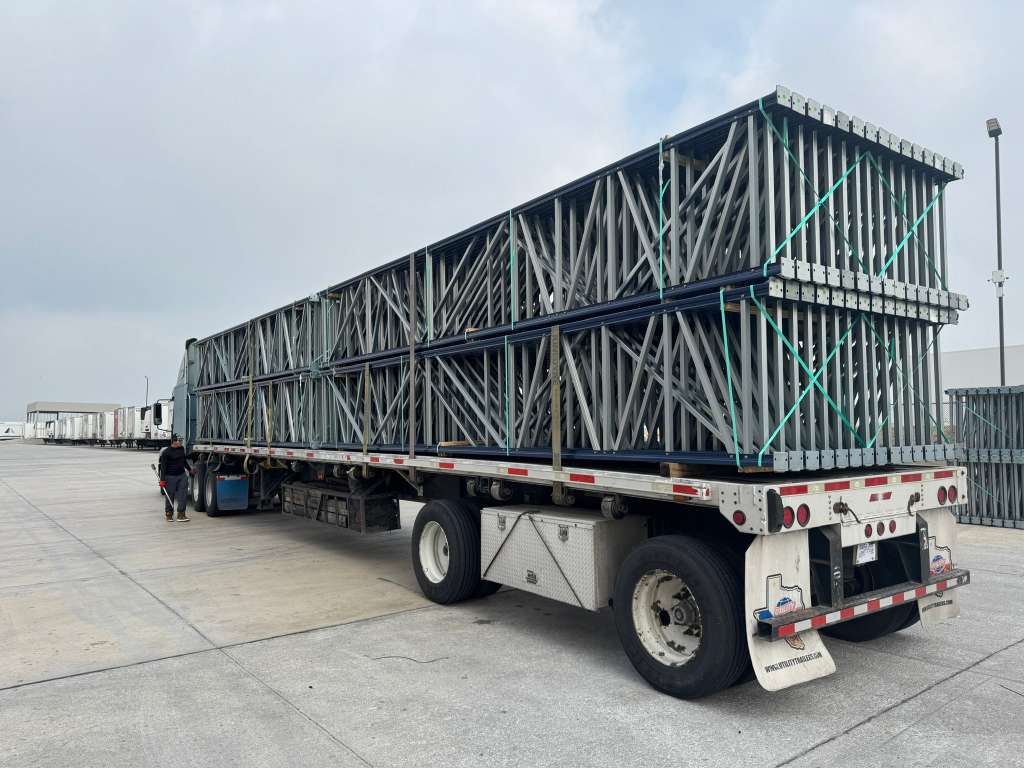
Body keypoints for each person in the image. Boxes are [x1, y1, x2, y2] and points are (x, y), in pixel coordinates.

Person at [158, 435, 192, 522]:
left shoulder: (181, 449)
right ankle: (169, 513)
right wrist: (162, 480)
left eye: (181, 441)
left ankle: (181, 514)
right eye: (180, 441)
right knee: (170, 495)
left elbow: (184, 461)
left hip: (182, 475)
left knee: (183, 495)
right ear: (174, 441)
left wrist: (189, 469)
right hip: (170, 477)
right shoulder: (166, 452)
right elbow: (163, 467)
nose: (181, 442)